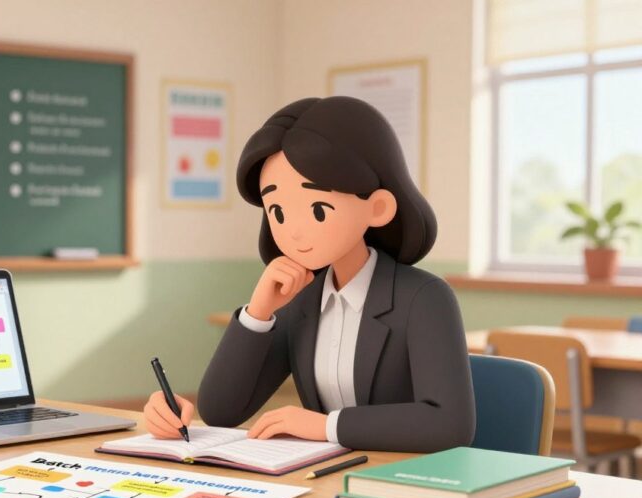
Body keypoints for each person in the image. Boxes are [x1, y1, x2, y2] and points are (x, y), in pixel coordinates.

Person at [143, 96, 475, 452]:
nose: (294, 232)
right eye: (279, 212)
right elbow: (222, 411)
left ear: (377, 207)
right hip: (322, 478)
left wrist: (327, 426)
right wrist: (258, 313)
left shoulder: (424, 298)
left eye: (318, 209)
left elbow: (449, 423)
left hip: (404, 480)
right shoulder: (303, 299)